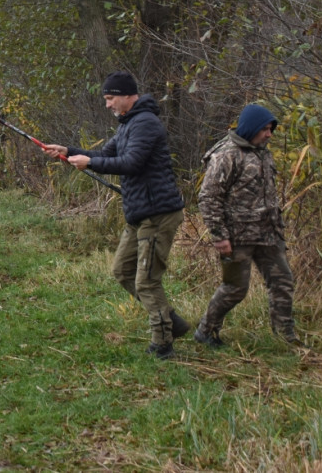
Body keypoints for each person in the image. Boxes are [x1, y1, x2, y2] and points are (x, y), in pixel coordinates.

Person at [44, 71, 188, 360]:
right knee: (122, 271)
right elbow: (105, 155)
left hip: (158, 214)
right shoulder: (127, 125)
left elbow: (131, 163)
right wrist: (69, 151)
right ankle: (173, 322)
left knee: (147, 281)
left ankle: (163, 344)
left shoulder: (145, 123)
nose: (108, 105)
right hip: (139, 212)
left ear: (126, 96)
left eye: (110, 99)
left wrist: (91, 163)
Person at [195, 104, 305, 348]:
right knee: (235, 288)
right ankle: (206, 331)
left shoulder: (263, 152)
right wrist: (220, 236)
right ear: (250, 128)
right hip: (237, 237)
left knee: (283, 283)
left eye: (270, 129)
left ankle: (285, 338)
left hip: (268, 234)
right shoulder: (226, 155)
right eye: (264, 129)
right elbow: (209, 198)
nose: (269, 134)